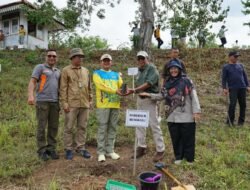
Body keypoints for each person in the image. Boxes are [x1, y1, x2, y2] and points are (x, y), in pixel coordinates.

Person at [139, 59, 201, 164]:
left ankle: (189, 159)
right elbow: (162, 96)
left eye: (175, 68)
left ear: (180, 69)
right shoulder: (167, 83)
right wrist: (149, 95)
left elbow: (193, 96)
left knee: (188, 137)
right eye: (171, 69)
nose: (173, 70)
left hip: (186, 114)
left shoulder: (187, 81)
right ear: (169, 70)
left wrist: (196, 111)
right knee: (176, 137)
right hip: (172, 115)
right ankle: (179, 157)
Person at [127, 51, 165, 162]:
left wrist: (134, 90)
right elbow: (137, 83)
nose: (141, 61)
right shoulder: (138, 71)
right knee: (139, 123)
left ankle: (160, 149)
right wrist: (134, 89)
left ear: (147, 58)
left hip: (150, 99)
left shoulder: (152, 69)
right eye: (139, 59)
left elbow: (148, 83)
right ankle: (141, 146)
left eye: (143, 58)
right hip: (140, 99)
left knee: (154, 124)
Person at [27, 49, 60, 161]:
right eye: (49, 56)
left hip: (55, 102)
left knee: (53, 127)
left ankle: (51, 149)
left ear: (56, 58)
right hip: (42, 101)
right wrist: (31, 95)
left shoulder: (57, 71)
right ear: (46, 57)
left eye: (54, 56)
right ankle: (41, 150)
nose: (52, 58)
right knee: (41, 126)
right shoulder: (40, 67)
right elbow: (32, 82)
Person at [60, 48, 92, 160]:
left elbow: (89, 87)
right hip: (72, 104)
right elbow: (63, 88)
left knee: (82, 127)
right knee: (69, 127)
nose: (80, 58)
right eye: (78, 56)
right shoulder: (66, 70)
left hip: (84, 103)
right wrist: (64, 103)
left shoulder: (86, 71)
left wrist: (90, 99)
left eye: (81, 56)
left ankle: (81, 148)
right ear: (72, 58)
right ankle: (68, 149)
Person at [93, 54, 124, 162]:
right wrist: (115, 91)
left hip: (115, 104)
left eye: (108, 61)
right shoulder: (97, 73)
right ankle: (101, 152)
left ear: (111, 62)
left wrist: (126, 89)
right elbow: (100, 86)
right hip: (103, 105)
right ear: (101, 62)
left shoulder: (116, 75)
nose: (106, 62)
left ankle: (110, 150)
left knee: (113, 128)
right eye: (104, 60)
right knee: (102, 128)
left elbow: (121, 86)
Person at [222, 51, 250, 126]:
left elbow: (245, 76)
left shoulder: (240, 65)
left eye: (237, 56)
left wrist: (248, 85)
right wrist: (224, 88)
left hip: (242, 87)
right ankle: (230, 122)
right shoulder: (226, 67)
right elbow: (224, 79)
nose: (236, 58)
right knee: (232, 105)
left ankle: (241, 122)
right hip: (232, 88)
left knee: (243, 105)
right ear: (230, 57)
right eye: (235, 56)